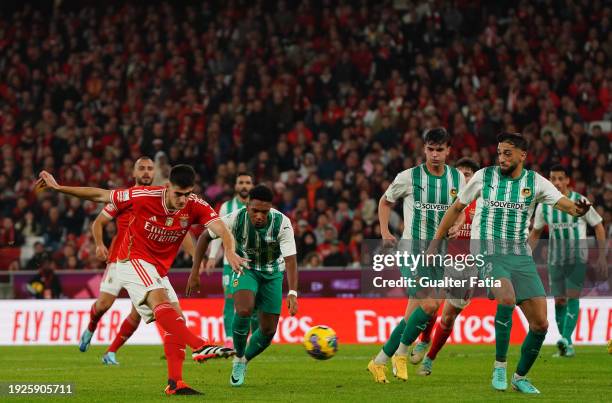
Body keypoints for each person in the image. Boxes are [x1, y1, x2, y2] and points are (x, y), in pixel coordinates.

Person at [36, 165, 246, 395]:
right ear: (168, 188)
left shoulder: (195, 204)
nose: (183, 200)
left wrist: (230, 251)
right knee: (158, 301)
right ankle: (200, 345)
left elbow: (223, 229)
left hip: (157, 268)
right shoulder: (143, 196)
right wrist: (58, 188)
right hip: (130, 259)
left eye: (188, 194)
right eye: (178, 194)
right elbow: (100, 194)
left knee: (177, 320)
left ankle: (176, 383)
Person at [432, 133, 591, 394]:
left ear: (522, 155)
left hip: (519, 254)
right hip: (486, 250)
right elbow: (455, 208)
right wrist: (433, 243)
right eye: (499, 153)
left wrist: (578, 209)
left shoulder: (535, 182)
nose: (502, 158)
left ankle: (520, 377)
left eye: (507, 153)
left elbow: (563, 203)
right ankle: (499, 366)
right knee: (506, 299)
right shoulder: (484, 176)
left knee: (541, 324)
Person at [367, 128, 465, 383]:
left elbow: (461, 210)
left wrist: (456, 225)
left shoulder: (457, 179)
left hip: (438, 253)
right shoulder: (409, 177)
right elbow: (385, 201)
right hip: (412, 250)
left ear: (448, 151)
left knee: (413, 315)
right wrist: (385, 230)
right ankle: (401, 353)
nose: (435, 155)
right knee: (431, 306)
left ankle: (378, 362)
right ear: (424, 149)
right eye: (430, 149)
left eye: (440, 150)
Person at [80, 156, 196, 366]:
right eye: (141, 168)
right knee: (103, 305)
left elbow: (183, 228)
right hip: (119, 260)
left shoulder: (164, 199)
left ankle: (111, 352)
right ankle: (91, 326)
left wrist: (195, 254)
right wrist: (99, 244)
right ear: (134, 173)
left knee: (138, 312)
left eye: (150, 169)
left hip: (145, 262)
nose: (146, 172)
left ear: (155, 173)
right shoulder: (126, 197)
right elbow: (99, 221)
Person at [189, 185, 299, 387]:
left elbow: (291, 260)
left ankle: (244, 359)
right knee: (244, 309)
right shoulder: (234, 218)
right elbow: (205, 236)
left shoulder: (282, 223)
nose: (259, 216)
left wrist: (292, 292)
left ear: (270, 208)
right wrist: (195, 271)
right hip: (245, 268)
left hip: (273, 273)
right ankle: (238, 356)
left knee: (268, 330)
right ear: (247, 206)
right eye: (255, 210)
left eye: (264, 212)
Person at [529, 164, 607, 358]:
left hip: (577, 258)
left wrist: (602, 256)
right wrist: (524, 255)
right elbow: (536, 233)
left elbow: (598, 226)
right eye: (552, 179)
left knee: (572, 296)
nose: (556, 183)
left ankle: (565, 338)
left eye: (559, 179)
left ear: (567, 181)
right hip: (555, 260)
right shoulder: (545, 205)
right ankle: (567, 344)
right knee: (559, 300)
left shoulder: (580, 201)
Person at [415, 157, 481, 376]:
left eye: (468, 174)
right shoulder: (447, 200)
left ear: (474, 177)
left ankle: (430, 359)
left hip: (469, 266)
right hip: (444, 259)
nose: (463, 178)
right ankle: (424, 339)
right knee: (433, 302)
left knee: (449, 317)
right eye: (460, 174)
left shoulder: (483, 202)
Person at [205, 172, 254, 348]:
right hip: (230, 262)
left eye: (247, 182)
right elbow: (219, 234)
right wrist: (212, 257)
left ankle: (248, 337)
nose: (244, 186)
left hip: (251, 261)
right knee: (230, 299)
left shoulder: (257, 207)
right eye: (241, 182)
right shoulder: (227, 207)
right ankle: (228, 338)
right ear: (236, 186)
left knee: (250, 301)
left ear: (252, 186)